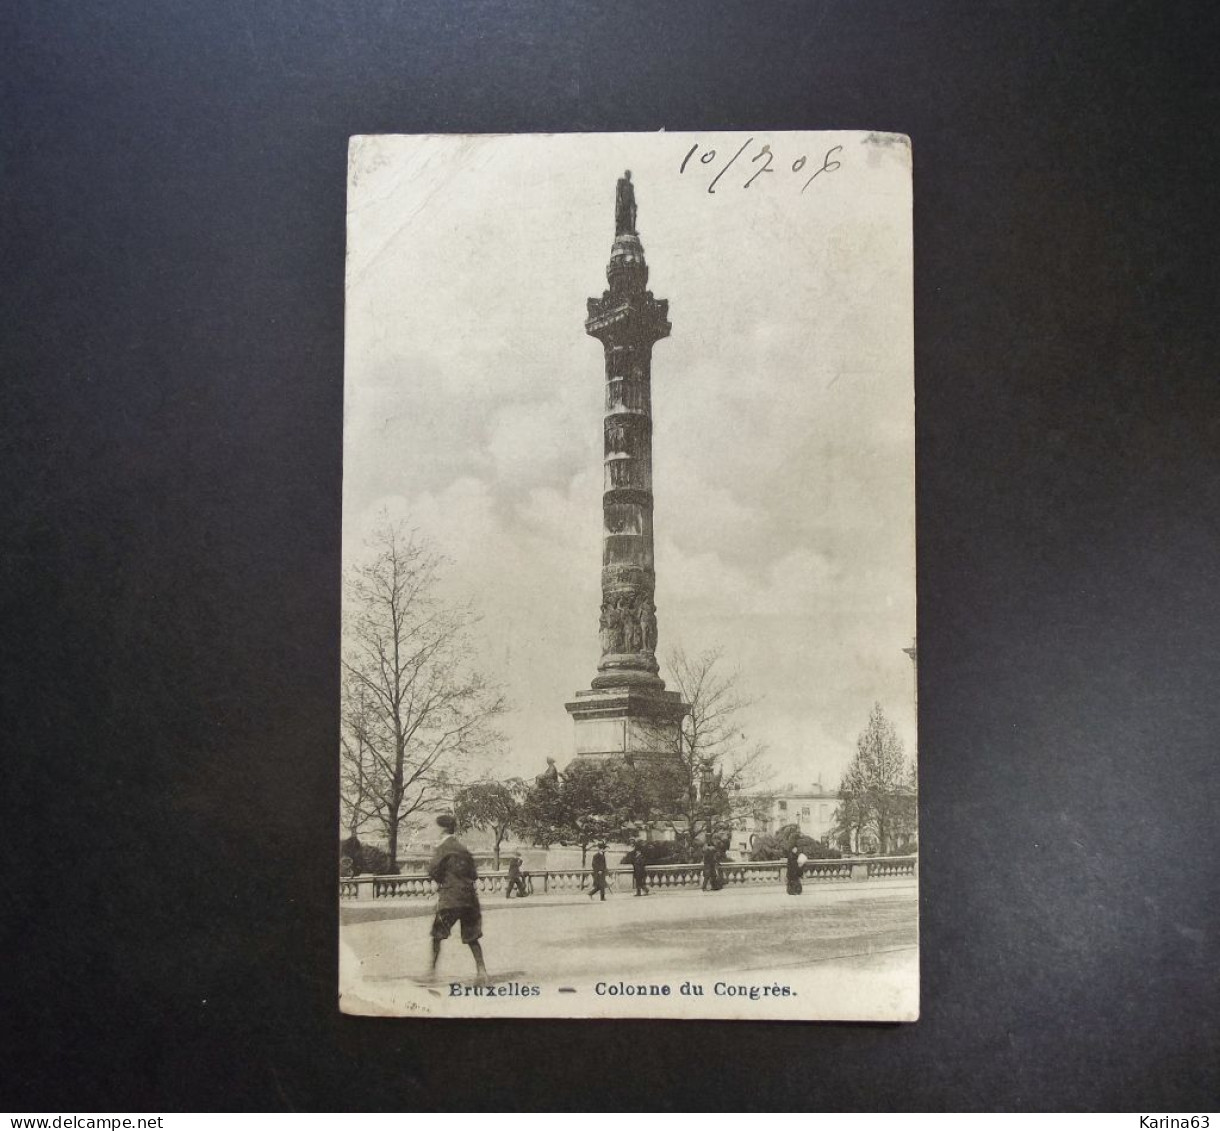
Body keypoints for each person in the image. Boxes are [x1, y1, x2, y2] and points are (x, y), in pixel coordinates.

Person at [427, 814, 489, 983]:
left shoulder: (442, 848)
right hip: (470, 899)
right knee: (472, 938)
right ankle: (482, 971)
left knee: (437, 935)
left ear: (442, 829)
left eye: (436, 827)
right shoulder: (464, 849)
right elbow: (474, 875)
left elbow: (432, 870)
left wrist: (442, 881)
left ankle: (431, 972)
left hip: (450, 899)